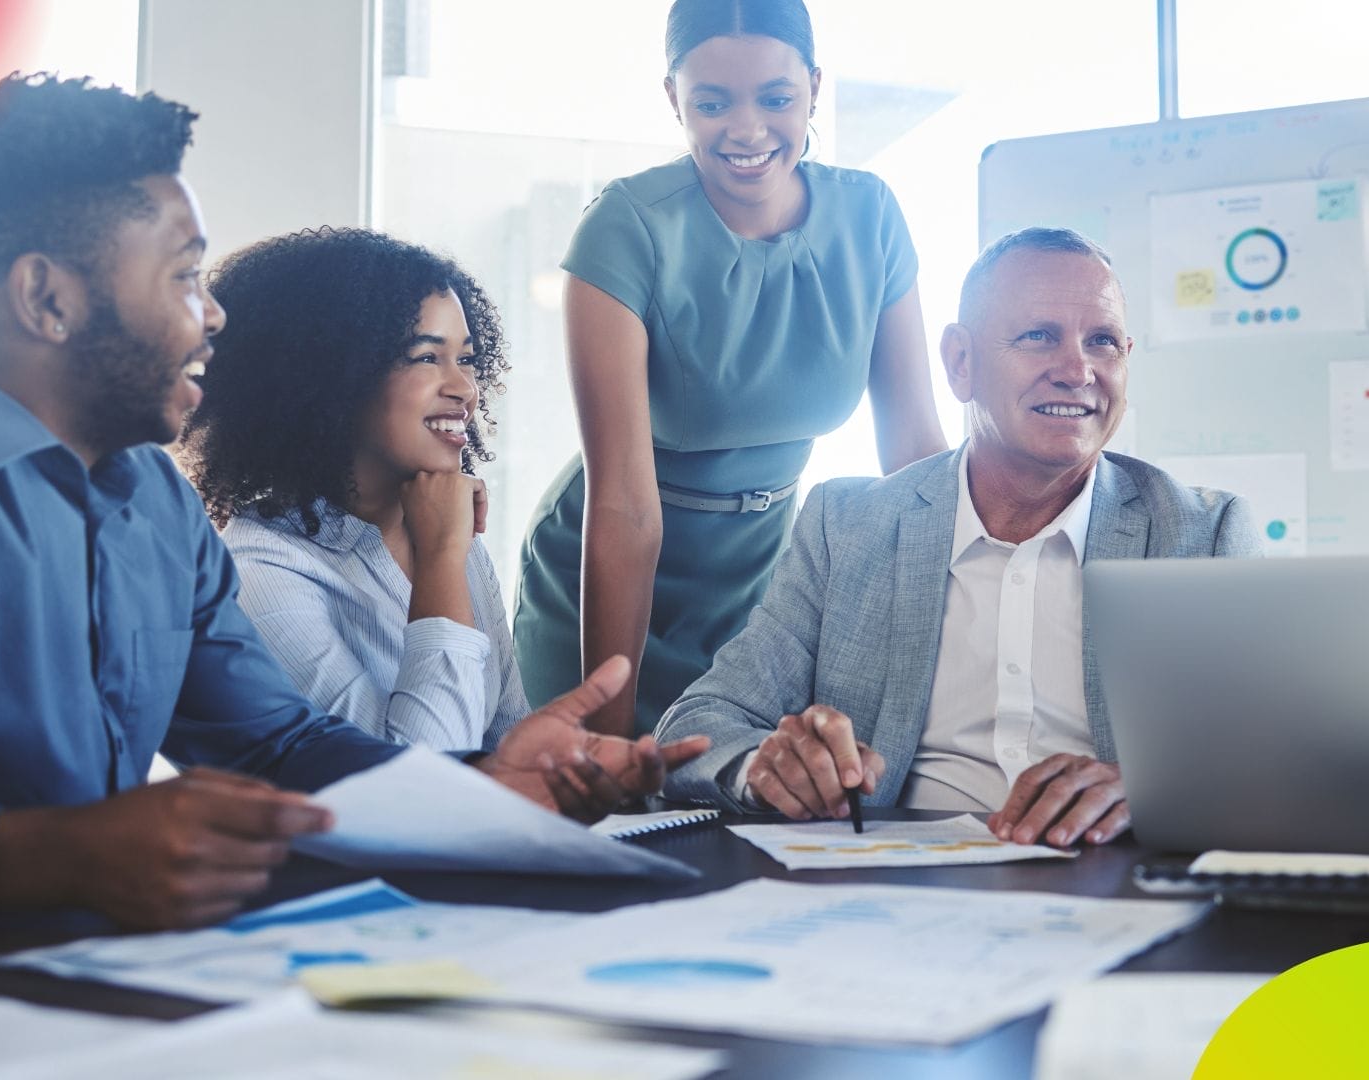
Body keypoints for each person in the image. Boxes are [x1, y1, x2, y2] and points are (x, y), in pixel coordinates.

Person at [0, 71, 703, 935]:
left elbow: (278, 748)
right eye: (183, 277)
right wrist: (42, 853)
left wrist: (485, 783)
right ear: (47, 299)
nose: (212, 316)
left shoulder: (154, 508)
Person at [656, 228, 1261, 847]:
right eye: (1039, 337)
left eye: (1102, 342)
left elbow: (1274, 759)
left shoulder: (1201, 535)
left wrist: (1153, 785)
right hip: (890, 890)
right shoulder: (847, 525)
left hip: (1115, 880)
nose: (1078, 371)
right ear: (960, 363)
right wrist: (765, 766)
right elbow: (698, 727)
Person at [513, 0, 949, 738]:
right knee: (605, 814)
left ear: (814, 86)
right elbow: (623, 503)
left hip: (766, 580)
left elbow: (914, 457)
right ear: (673, 99)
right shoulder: (626, 226)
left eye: (776, 99)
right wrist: (608, 743)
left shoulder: (869, 215)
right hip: (610, 574)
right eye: (712, 103)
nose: (746, 130)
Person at [182, 227, 527, 753]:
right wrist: (440, 560)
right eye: (426, 357)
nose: (464, 388)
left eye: (468, 358)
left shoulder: (450, 532)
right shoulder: (261, 576)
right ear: (335, 376)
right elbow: (420, 785)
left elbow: (506, 737)